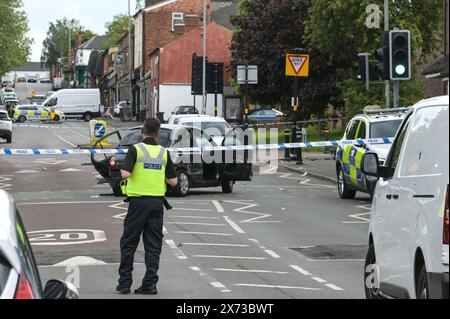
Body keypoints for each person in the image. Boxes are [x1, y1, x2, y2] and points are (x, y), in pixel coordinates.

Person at [116, 118, 178, 295]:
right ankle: (150, 283)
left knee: (129, 242)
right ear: (158, 133)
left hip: (138, 204)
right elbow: (173, 181)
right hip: (157, 204)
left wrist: (127, 169)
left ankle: (125, 283)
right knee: (153, 245)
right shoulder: (163, 153)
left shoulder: (135, 150)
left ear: (142, 130)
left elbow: (126, 174)